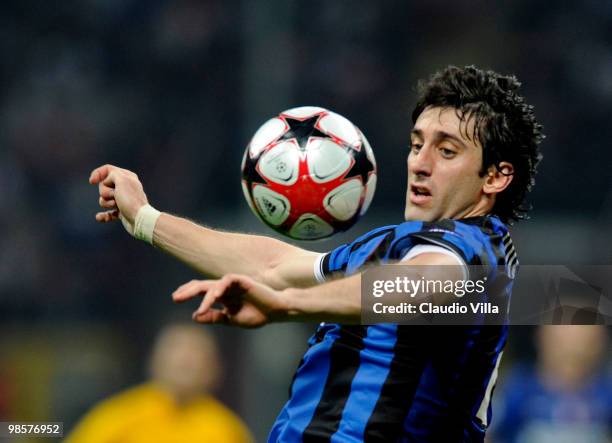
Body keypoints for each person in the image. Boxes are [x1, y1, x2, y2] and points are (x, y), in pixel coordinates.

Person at [90, 65, 543, 442]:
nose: (420, 163)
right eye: (416, 143)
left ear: (496, 177)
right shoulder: (393, 244)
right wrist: (145, 219)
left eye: (447, 151)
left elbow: (422, 287)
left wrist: (287, 306)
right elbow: (274, 265)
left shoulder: (478, 250)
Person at [65, 323, 254, 443]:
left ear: (214, 369)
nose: (185, 360)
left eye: (196, 354)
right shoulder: (119, 417)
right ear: (154, 361)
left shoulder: (226, 430)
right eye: (176, 350)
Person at [490, 326, 612, 443]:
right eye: (561, 344)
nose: (573, 353)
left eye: (585, 344)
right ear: (541, 339)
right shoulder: (517, 389)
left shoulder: (606, 393)